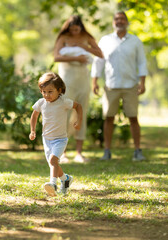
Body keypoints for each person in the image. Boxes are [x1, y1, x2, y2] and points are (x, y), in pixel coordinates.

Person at [91, 11, 148, 161]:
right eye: (116, 19)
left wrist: (142, 82)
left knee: (133, 118)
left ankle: (137, 151)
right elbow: (98, 62)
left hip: (131, 86)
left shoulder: (135, 41)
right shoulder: (105, 40)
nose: (119, 21)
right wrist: (95, 81)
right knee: (109, 118)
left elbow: (141, 62)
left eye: (122, 19)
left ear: (127, 22)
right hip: (111, 85)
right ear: (113, 22)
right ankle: (107, 151)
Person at [54, 15, 103, 163]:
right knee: (65, 113)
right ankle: (62, 153)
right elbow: (56, 57)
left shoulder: (86, 37)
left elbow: (100, 54)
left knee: (81, 112)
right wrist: (76, 57)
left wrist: (84, 47)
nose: (75, 32)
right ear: (68, 28)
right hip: (67, 79)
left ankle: (79, 153)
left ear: (81, 27)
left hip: (83, 79)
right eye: (72, 29)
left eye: (77, 29)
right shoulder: (63, 38)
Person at [29, 72, 83, 196]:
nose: (46, 95)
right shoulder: (41, 103)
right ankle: (65, 180)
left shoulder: (63, 102)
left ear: (59, 90)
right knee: (53, 163)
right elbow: (34, 115)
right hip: (46, 139)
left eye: (50, 91)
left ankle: (52, 184)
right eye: (43, 92)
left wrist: (78, 120)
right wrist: (32, 130)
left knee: (53, 160)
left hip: (60, 139)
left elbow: (78, 106)